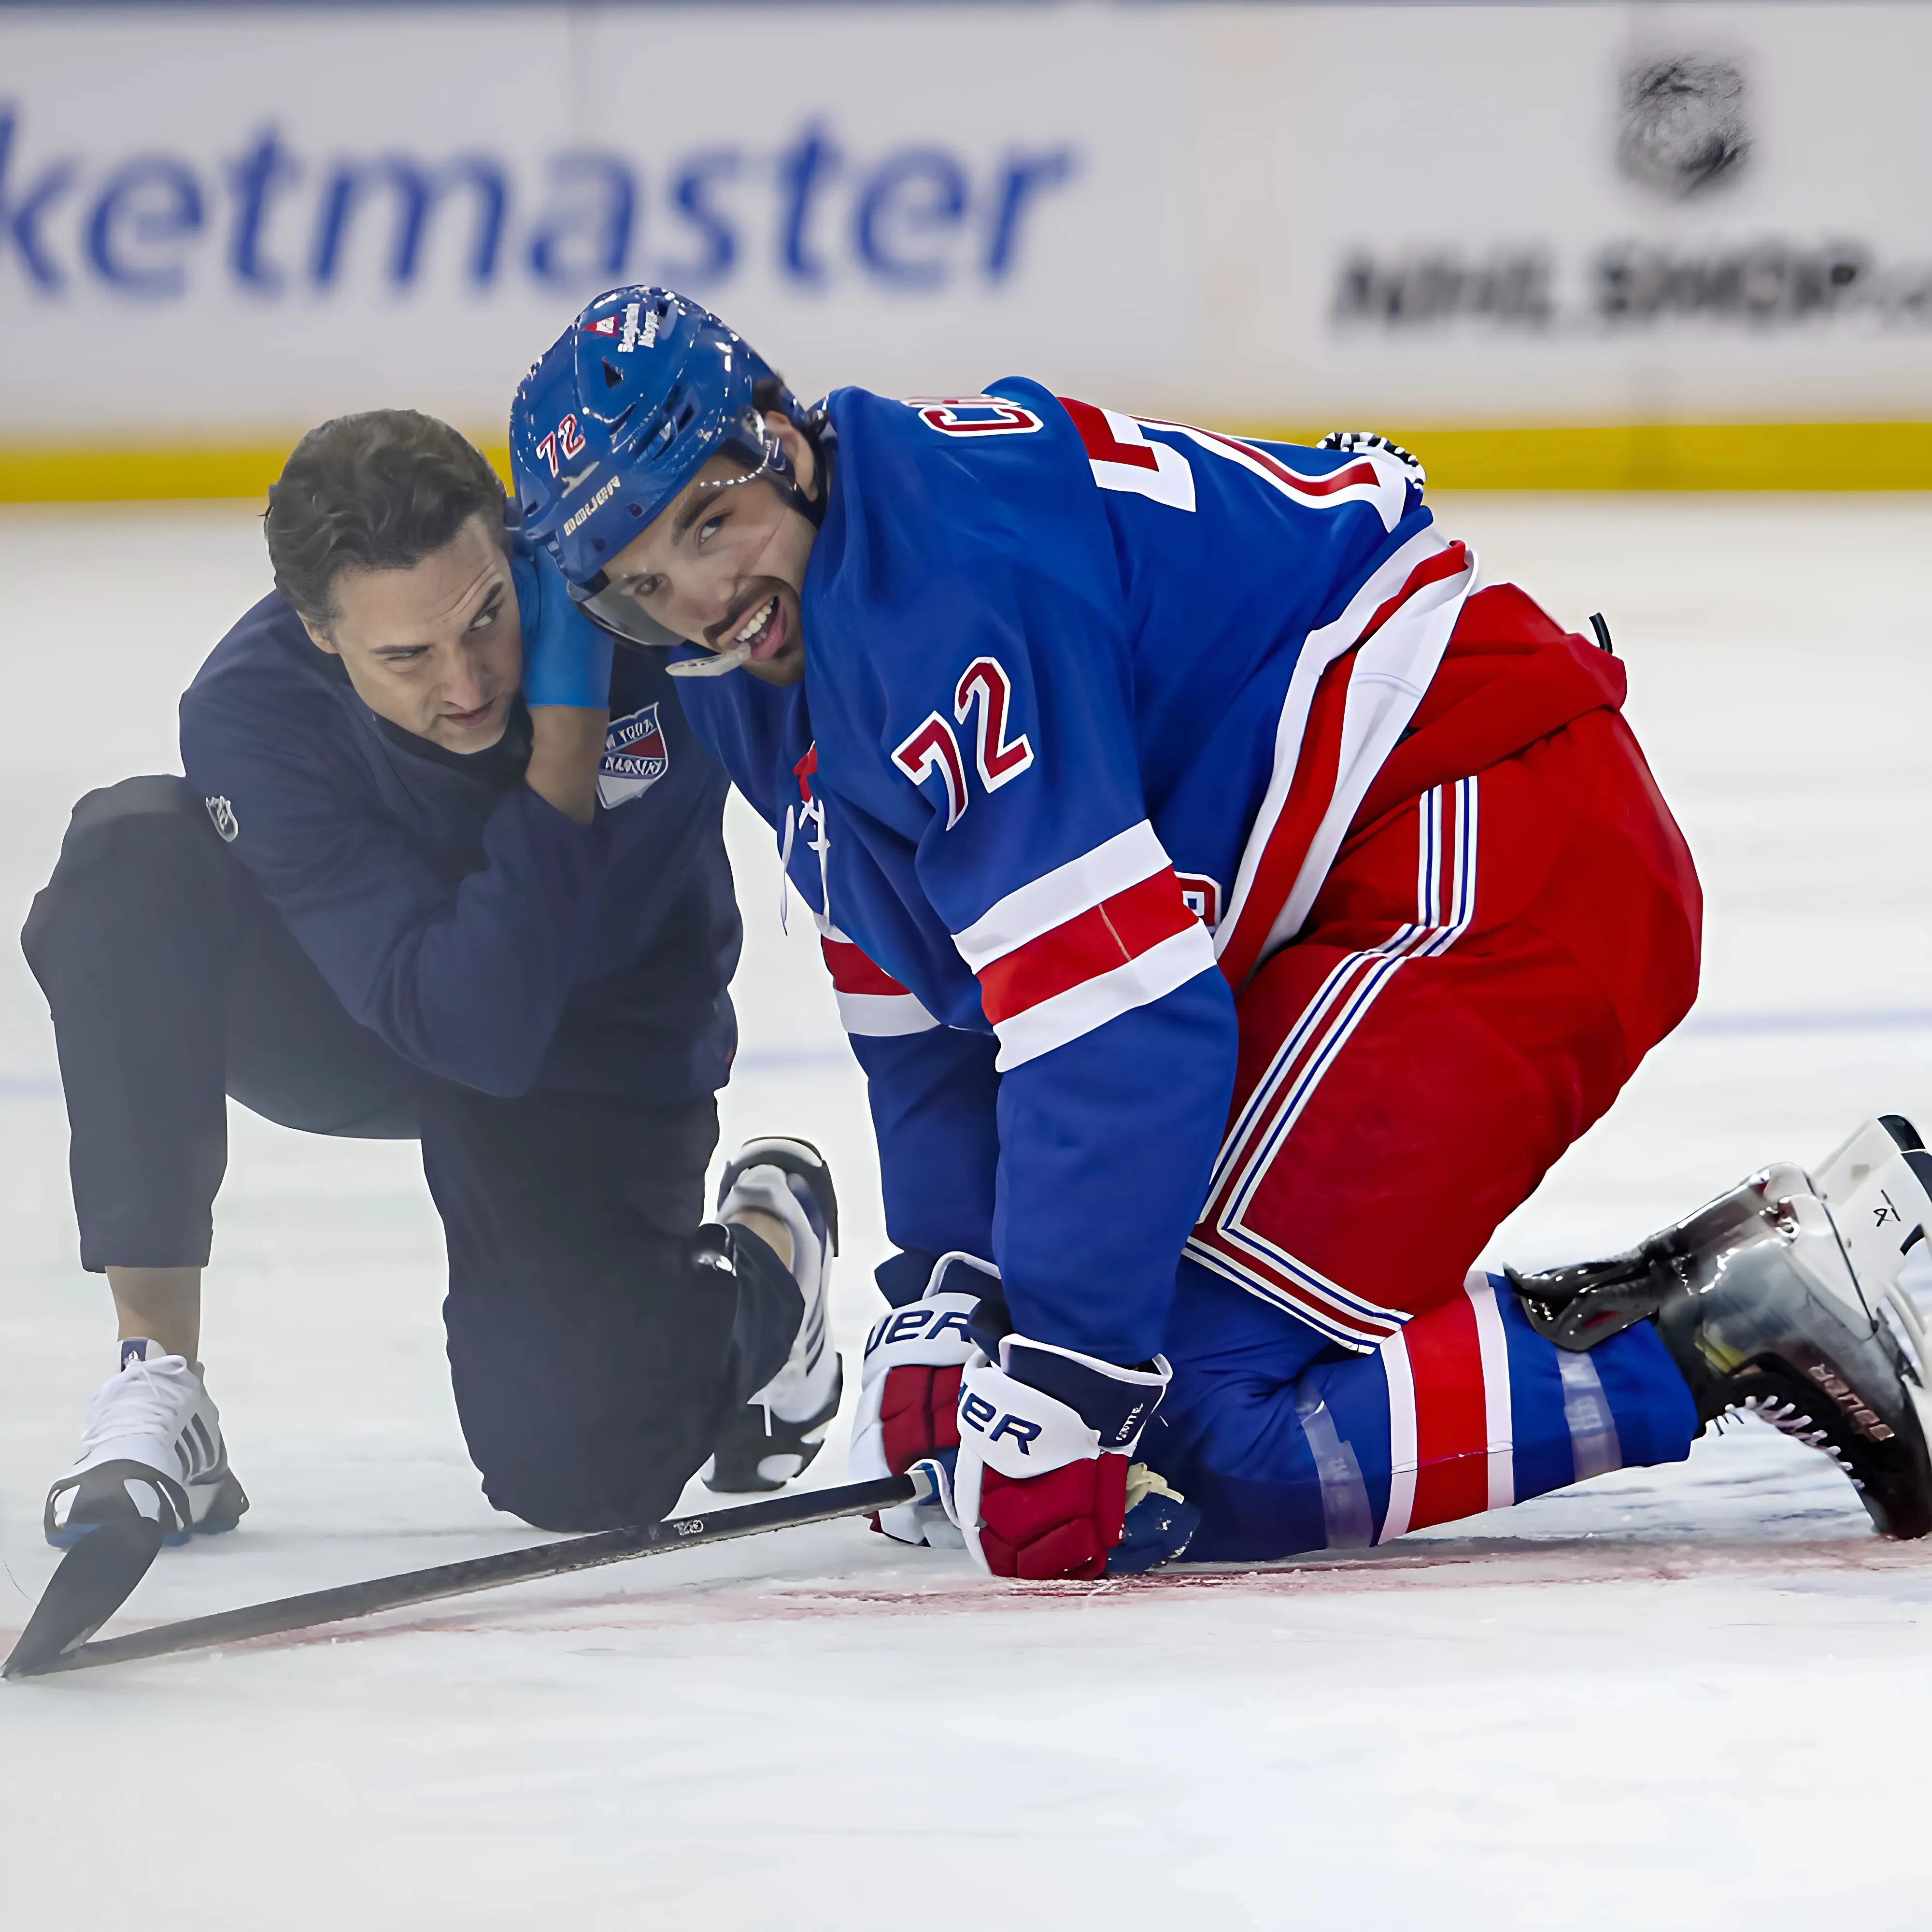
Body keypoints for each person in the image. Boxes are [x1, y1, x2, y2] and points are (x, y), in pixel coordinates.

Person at [506, 287, 1932, 1578]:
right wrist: (960, 1276)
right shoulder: (764, 644)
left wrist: (1067, 1376)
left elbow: (1116, 1023)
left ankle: (1742, 1312)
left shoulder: (942, 594)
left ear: (782, 439)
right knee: (1127, 1374)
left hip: (1497, 852)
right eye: (643, 580)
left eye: (710, 522)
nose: (699, 598)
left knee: (1185, 1426)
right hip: (1370, 878)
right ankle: (1738, 1286)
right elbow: (913, 980)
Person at [24, 408, 843, 1552]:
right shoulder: (253, 710)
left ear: (515, 550)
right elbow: (464, 1027)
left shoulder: (640, 603)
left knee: (578, 1471)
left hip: (602, 1040)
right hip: (392, 1009)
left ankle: (769, 1256)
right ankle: (159, 1378)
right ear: (319, 634)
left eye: (487, 619)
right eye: (404, 656)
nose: (465, 684)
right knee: (128, 858)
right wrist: (564, 743)